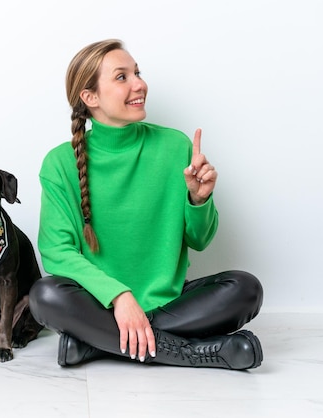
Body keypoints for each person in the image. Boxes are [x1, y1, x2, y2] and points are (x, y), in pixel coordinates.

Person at [28, 39, 263, 369]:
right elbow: (56, 251)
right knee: (45, 295)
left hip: (169, 302)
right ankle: (194, 354)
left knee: (245, 288)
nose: (139, 84)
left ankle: (99, 343)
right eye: (122, 77)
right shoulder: (59, 163)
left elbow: (200, 240)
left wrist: (199, 199)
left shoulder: (174, 145)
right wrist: (119, 296)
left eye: (137, 72)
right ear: (90, 97)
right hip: (99, 304)